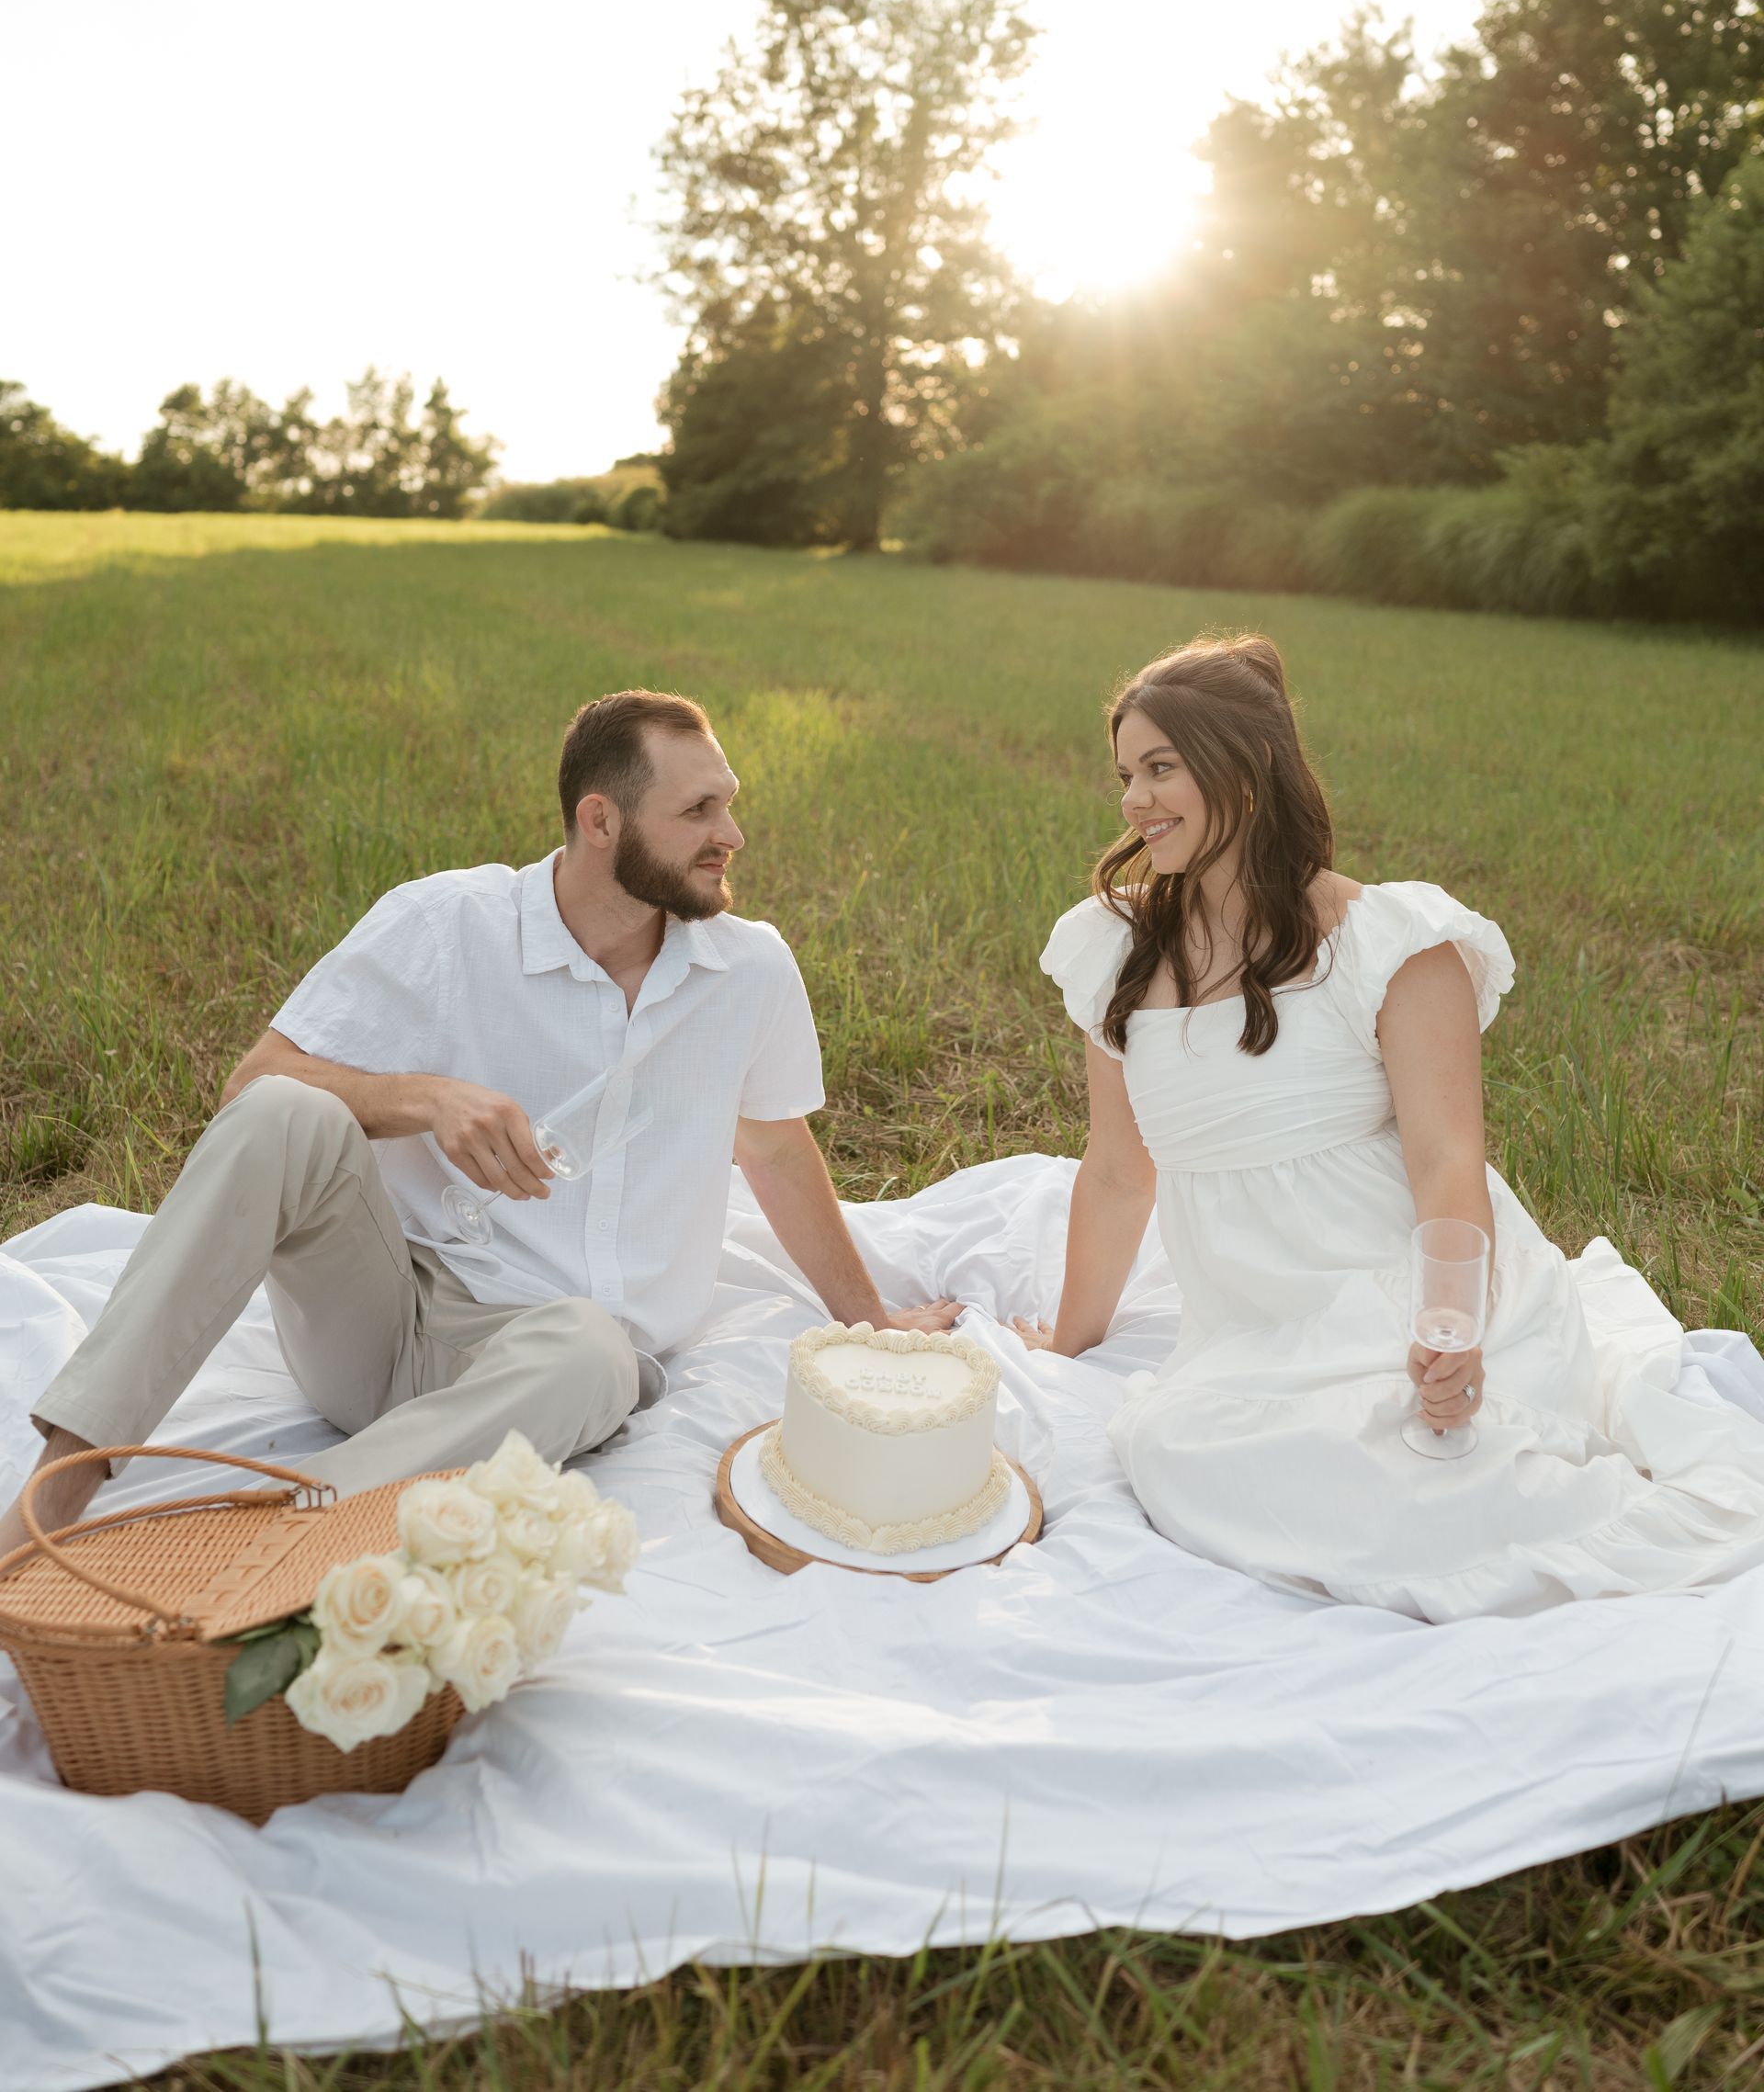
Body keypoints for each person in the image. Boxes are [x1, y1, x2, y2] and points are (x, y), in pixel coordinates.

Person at [1, 689, 957, 1550]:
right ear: (600, 820)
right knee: (290, 1111)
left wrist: (870, 1320)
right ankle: (57, 1493)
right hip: (383, 1316)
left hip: (549, 1368)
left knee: (596, 1349)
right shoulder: (447, 924)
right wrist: (424, 1098)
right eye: (699, 811)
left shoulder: (749, 971)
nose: (732, 833)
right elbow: (253, 1088)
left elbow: (777, 1151)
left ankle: (257, 1544)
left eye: (730, 803)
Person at [1011, 633, 1764, 1621]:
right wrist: (1070, 1342)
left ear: (1254, 766)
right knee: (1170, 1446)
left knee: (1420, 1446)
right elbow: (1118, 1172)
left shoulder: (1395, 941)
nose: (1134, 801)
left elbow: (1449, 1158)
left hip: (1404, 1275)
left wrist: (1450, 1328)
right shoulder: (1111, 945)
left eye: (1162, 768)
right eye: (1125, 774)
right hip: (1255, 1315)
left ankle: (1581, 1503)